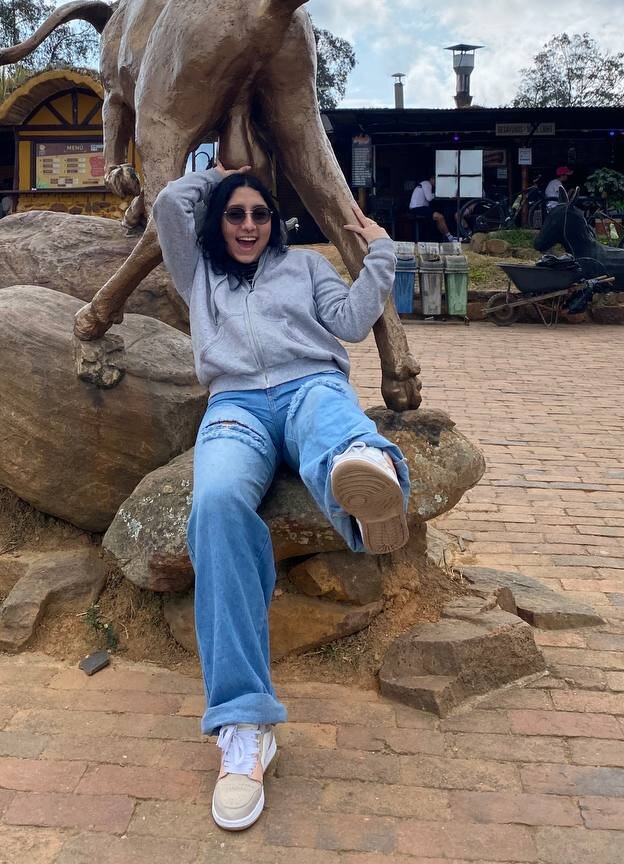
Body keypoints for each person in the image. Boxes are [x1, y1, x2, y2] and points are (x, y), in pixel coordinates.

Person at [152, 163, 411, 833]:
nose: (247, 226)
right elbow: (169, 205)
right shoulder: (197, 274)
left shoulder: (306, 267)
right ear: (219, 221)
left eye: (259, 214)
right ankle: (244, 726)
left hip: (307, 386)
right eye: (234, 214)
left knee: (332, 423)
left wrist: (381, 251)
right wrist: (218, 174)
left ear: (275, 222)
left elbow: (351, 321)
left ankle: (367, 479)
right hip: (235, 404)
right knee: (215, 505)